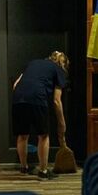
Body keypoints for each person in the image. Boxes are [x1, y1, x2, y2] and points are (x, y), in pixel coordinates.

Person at [12, 50, 69, 180]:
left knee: (22, 134)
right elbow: (56, 100)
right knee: (43, 135)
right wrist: (61, 122)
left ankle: (24, 167)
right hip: (37, 97)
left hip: (18, 97)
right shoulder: (58, 69)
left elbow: (15, 85)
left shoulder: (33, 63)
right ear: (62, 64)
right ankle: (43, 171)